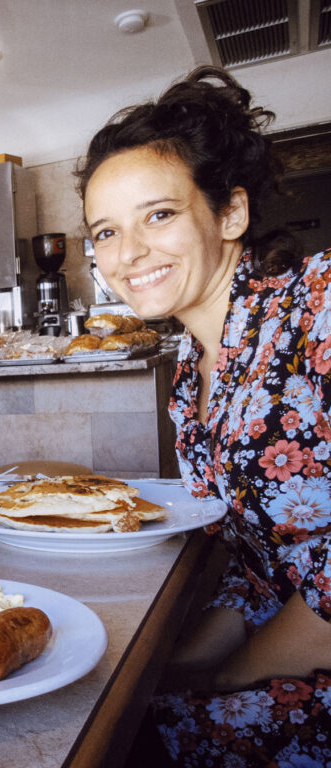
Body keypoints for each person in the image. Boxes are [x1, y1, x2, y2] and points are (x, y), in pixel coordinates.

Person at [77, 66, 331, 765]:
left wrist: (230, 675)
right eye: (105, 232)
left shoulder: (318, 307)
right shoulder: (193, 370)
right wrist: (174, 666)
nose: (127, 254)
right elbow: (254, 565)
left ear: (230, 214)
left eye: (159, 215)